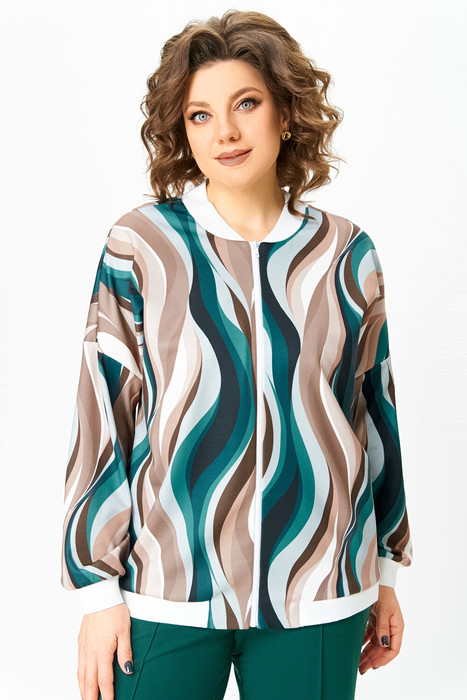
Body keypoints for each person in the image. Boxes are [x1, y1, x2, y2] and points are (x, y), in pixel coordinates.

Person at [60, 9, 414, 700]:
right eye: (200, 115)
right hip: (166, 588)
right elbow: (103, 416)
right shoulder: (143, 247)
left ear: (285, 111)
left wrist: (387, 575)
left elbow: (374, 416)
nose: (223, 131)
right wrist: (96, 594)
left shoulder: (346, 252)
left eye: (245, 104)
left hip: (320, 590)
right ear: (181, 130)